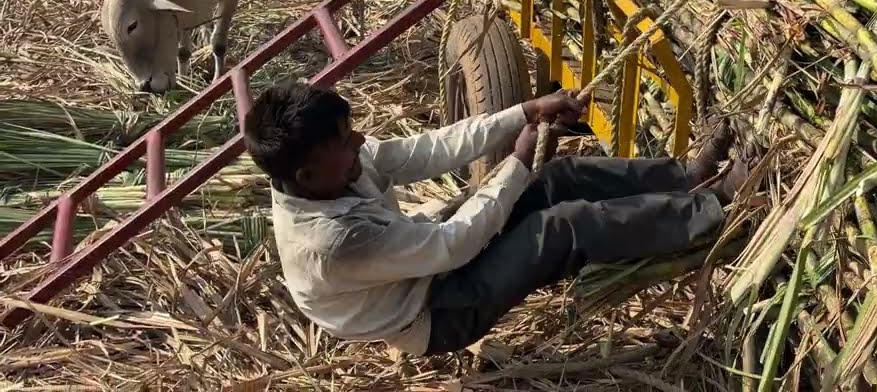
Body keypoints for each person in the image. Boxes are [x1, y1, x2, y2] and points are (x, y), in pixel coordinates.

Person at [242, 80, 748, 356]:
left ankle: (686, 176)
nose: (359, 142)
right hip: (435, 312)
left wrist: (523, 112)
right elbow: (453, 246)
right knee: (558, 227)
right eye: (345, 139)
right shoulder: (331, 242)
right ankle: (718, 208)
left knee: (560, 178)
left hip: (427, 266)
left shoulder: (332, 166)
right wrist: (517, 162)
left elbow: (429, 149)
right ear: (306, 176)